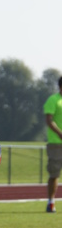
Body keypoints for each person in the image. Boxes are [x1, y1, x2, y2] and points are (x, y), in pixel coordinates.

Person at [43, 76, 62, 213]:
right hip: (56, 144)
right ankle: (51, 202)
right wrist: (60, 134)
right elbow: (49, 120)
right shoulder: (53, 100)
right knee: (54, 174)